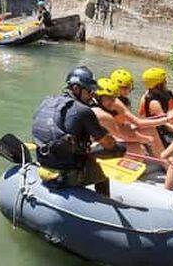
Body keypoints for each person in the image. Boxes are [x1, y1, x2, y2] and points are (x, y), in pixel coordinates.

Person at [31, 66, 125, 196]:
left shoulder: (47, 101)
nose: (92, 96)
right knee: (117, 151)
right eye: (89, 91)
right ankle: (105, 201)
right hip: (67, 175)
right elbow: (108, 144)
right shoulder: (82, 110)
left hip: (45, 164)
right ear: (76, 88)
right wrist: (113, 144)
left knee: (89, 150)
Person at [138, 67, 173, 146]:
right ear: (158, 85)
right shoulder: (154, 103)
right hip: (167, 133)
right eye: (164, 81)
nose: (166, 82)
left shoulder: (167, 93)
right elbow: (165, 124)